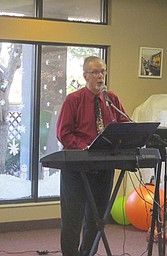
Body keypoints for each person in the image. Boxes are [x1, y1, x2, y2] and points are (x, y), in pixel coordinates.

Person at [56, 56, 130, 256]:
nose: (100, 76)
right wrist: (86, 147)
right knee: (73, 218)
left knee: (97, 219)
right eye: (95, 72)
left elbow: (124, 124)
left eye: (103, 72)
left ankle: (87, 253)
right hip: (77, 167)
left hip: (104, 166)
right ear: (85, 76)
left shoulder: (111, 99)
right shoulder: (74, 100)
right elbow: (63, 133)